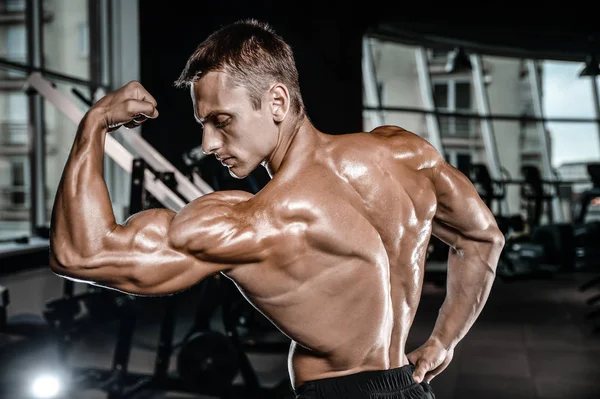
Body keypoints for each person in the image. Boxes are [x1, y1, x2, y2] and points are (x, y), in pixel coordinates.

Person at [49, 19, 505, 399]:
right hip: (408, 388)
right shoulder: (404, 154)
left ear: (278, 101)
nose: (208, 144)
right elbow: (483, 237)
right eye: (203, 125)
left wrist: (94, 125)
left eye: (221, 121)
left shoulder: (257, 222)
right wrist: (443, 342)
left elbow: (80, 254)